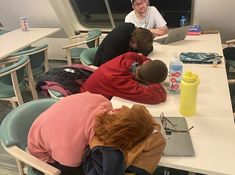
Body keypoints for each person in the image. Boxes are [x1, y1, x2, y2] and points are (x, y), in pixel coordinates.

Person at [27, 92, 165, 175]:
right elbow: (69, 165)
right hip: (42, 155)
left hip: (50, 125)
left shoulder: (101, 100)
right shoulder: (71, 152)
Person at [80, 52, 168, 104]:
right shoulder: (120, 81)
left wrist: (150, 69)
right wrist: (156, 83)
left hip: (93, 89)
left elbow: (146, 59)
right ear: (146, 82)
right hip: (87, 102)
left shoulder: (129, 56)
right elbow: (155, 96)